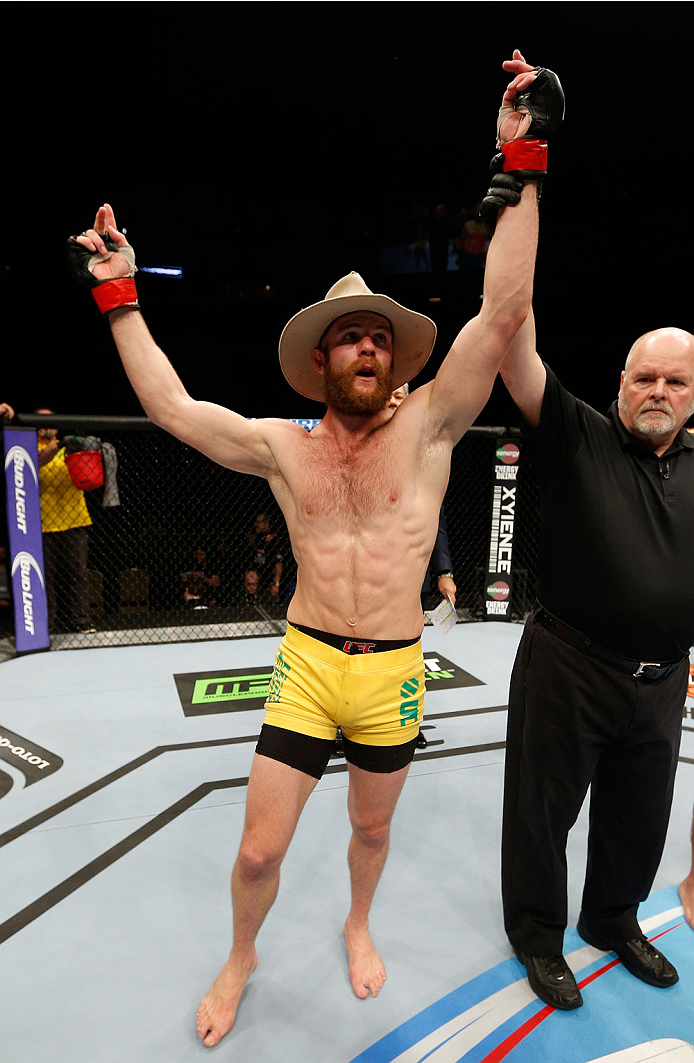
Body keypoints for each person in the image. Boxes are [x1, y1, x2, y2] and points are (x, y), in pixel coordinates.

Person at [67, 51, 556, 1048]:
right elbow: (168, 406)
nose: (367, 347)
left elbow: (502, 314)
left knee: (370, 829)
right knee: (257, 852)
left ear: (394, 355)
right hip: (305, 667)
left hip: (393, 672)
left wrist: (523, 156)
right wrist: (119, 294)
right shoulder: (282, 449)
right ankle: (241, 954)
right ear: (322, 356)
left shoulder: (428, 431)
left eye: (380, 334)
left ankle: (358, 918)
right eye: (350, 337)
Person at [497, 58, 694, 1010]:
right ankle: (538, 936)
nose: (656, 390)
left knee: (640, 816)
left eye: (676, 381)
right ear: (619, 383)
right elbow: (512, 329)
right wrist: (524, 160)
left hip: (662, 680)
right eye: (643, 376)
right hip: (569, 663)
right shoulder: (574, 429)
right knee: (540, 815)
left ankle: (612, 916)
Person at [35, 408, 95, 633]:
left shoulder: (70, 447)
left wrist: (87, 447)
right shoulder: (32, 448)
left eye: (50, 421)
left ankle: (82, 620)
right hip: (44, 522)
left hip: (75, 519)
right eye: (41, 421)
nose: (46, 426)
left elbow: (89, 472)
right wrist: (58, 446)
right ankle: (47, 624)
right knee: (45, 578)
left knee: (78, 574)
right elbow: (37, 462)